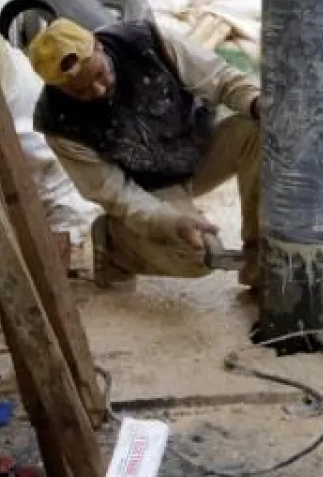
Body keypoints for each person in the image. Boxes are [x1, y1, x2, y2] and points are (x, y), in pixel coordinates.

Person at [27, 16, 264, 291]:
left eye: (100, 75)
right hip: (149, 187)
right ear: (58, 88)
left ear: (98, 46)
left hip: (197, 151)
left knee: (258, 130)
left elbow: (220, 80)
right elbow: (118, 194)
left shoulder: (146, 41)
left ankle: (261, 265)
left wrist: (257, 103)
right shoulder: (58, 122)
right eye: (81, 91)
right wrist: (169, 222)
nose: (98, 90)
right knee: (196, 255)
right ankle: (115, 244)